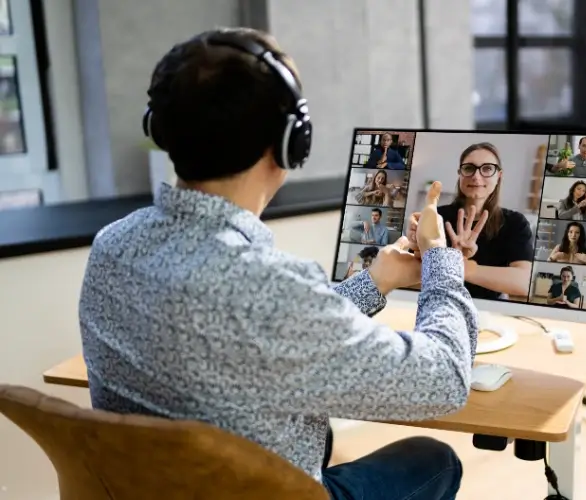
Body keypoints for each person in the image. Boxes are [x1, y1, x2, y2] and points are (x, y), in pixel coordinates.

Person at [78, 27, 478, 500]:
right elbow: (446, 379)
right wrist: (441, 259)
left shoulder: (111, 247)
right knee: (434, 461)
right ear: (292, 143)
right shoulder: (269, 289)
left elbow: (267, 335)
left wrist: (376, 281)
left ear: (160, 128)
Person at [407, 142, 534, 301]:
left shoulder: (515, 222)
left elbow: (523, 282)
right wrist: (414, 244)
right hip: (440, 302)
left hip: (491, 307)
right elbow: (410, 276)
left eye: (487, 169)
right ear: (460, 173)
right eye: (469, 168)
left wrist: (461, 267)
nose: (476, 176)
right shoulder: (437, 216)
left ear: (499, 176)